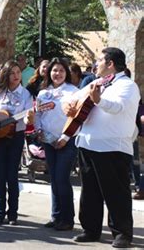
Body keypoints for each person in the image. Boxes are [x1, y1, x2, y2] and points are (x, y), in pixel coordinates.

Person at [62, 47, 140, 248]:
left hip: (113, 147)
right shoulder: (97, 82)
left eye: (100, 60)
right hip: (88, 144)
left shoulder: (127, 86)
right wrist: (68, 106)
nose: (96, 64)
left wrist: (99, 100)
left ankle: (122, 234)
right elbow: (71, 98)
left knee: (116, 193)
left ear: (111, 64)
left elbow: (118, 107)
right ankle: (90, 230)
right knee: (90, 192)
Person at [0, 60, 34, 225]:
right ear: (6, 75)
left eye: (18, 72)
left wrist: (28, 117)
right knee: (0, 175)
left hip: (16, 137)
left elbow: (27, 117)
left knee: (12, 176)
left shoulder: (26, 94)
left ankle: (13, 214)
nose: (16, 76)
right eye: (12, 73)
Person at [35, 58, 78, 231]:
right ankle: (56, 215)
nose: (57, 74)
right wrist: (38, 130)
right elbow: (38, 115)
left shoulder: (73, 92)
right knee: (53, 179)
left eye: (61, 70)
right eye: (54, 70)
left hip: (66, 141)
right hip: (48, 140)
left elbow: (77, 119)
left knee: (62, 179)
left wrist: (65, 138)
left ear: (66, 72)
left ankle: (67, 219)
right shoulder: (43, 93)